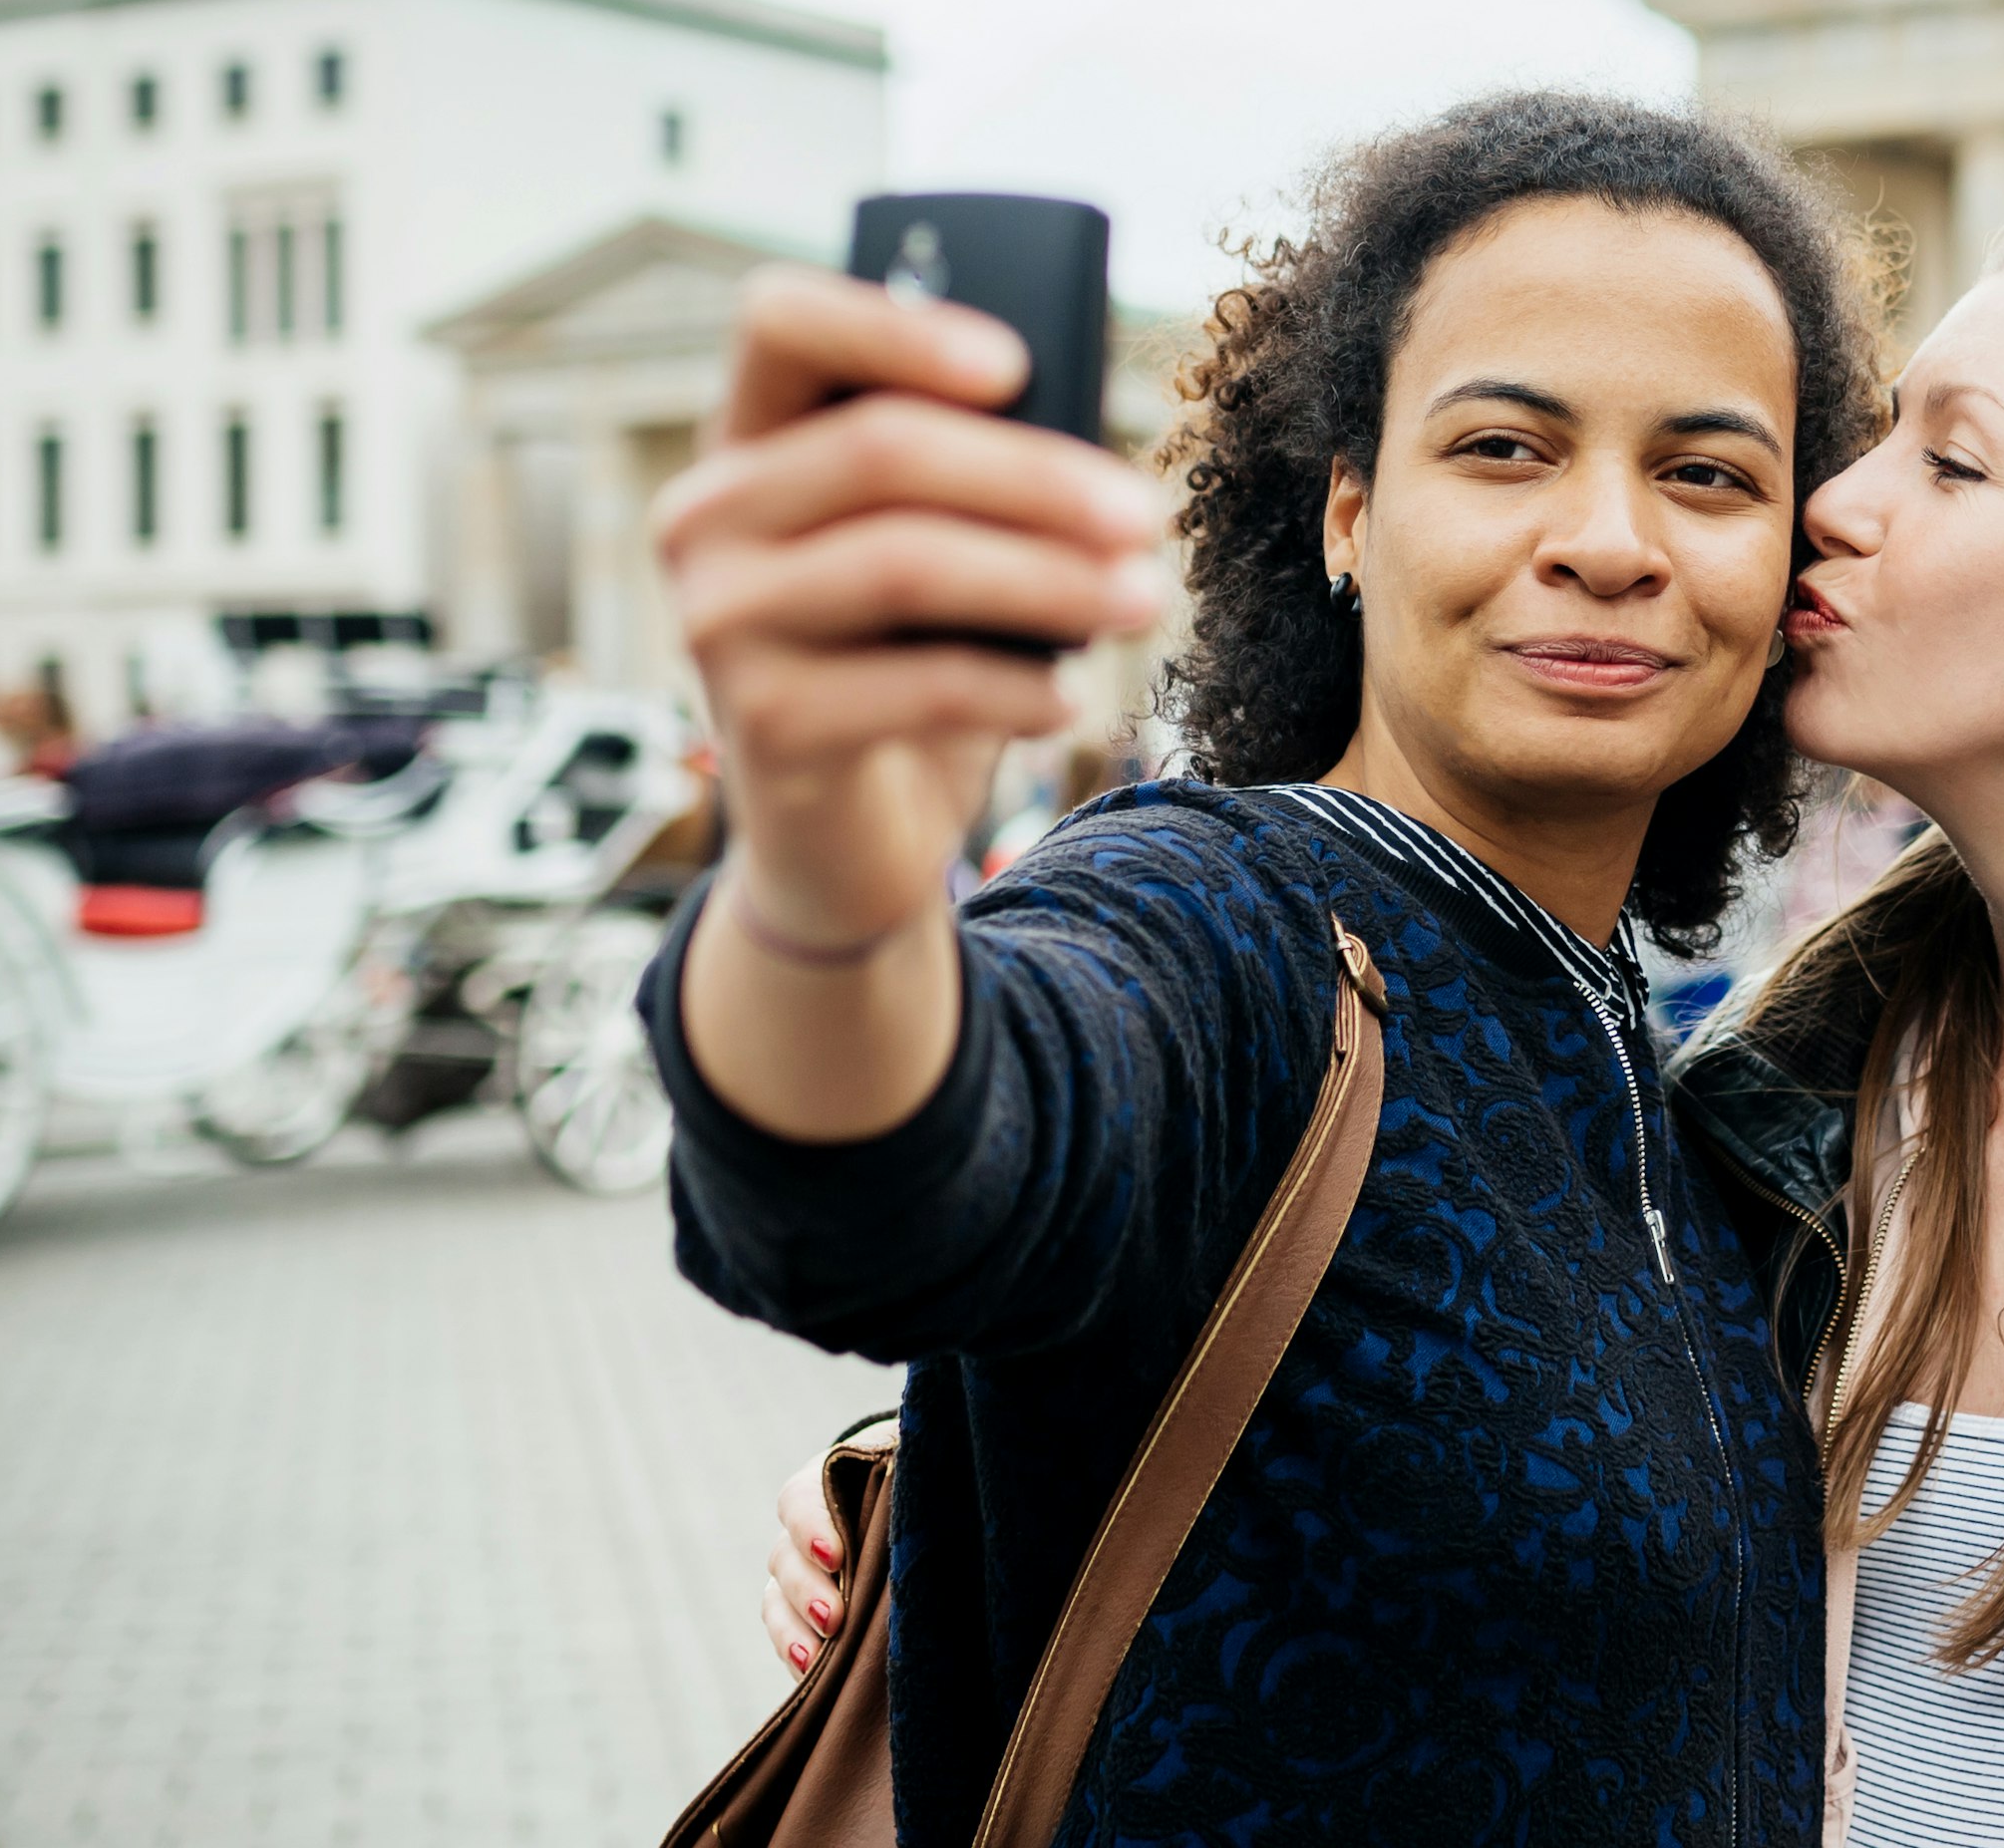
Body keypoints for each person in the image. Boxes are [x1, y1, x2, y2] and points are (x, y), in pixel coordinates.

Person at [759, 206, 2004, 1842]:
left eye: (1943, 459)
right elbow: (1449, 1471)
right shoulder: (1750, 1101)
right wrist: (965, 1468)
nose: (1821, 515)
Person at [658, 95, 1876, 1842]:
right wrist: (825, 880)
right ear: (1345, 520)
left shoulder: (1677, 1084)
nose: (1613, 538)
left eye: (1708, 473)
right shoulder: (1225, 924)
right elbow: (914, 1164)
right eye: (1507, 448)